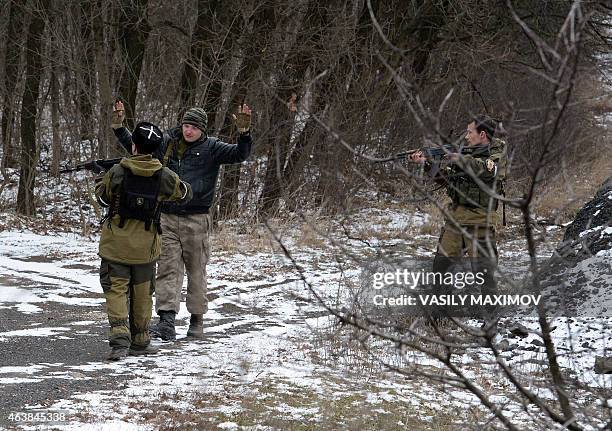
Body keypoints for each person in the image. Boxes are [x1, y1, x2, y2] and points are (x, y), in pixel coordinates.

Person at [111, 101, 253, 341]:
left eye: (194, 128)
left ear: (202, 130)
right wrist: (119, 127)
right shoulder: (167, 143)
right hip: (166, 217)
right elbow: (138, 149)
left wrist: (244, 133)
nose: (189, 131)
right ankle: (166, 322)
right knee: (167, 269)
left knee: (196, 270)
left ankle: (197, 320)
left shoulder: (212, 148)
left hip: (197, 219)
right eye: (186, 125)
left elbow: (239, 154)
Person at [96, 121, 192, 360]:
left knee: (116, 291)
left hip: (115, 246)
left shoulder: (117, 171)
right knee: (142, 294)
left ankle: (119, 342)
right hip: (146, 248)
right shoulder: (164, 176)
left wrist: (101, 179)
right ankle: (141, 341)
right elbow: (184, 193)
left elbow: (102, 198)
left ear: (133, 145)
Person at [409, 115, 507, 318]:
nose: (467, 136)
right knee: (440, 266)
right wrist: (426, 163)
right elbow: (446, 180)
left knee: (483, 272)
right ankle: (439, 314)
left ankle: (491, 318)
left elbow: (489, 172)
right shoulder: (464, 152)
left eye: (470, 132)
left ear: (482, 134)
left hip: (480, 220)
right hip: (456, 219)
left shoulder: (496, 154)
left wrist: (459, 158)